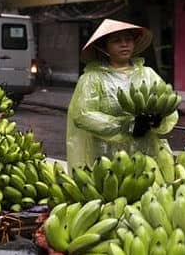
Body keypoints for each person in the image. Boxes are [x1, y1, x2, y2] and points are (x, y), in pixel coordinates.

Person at [66, 19, 178, 169]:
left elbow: (168, 108)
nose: (124, 44)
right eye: (116, 41)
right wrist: (126, 126)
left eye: (128, 39)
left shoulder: (148, 74)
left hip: (146, 155)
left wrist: (158, 120)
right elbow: (82, 115)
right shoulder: (92, 78)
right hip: (106, 158)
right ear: (104, 46)